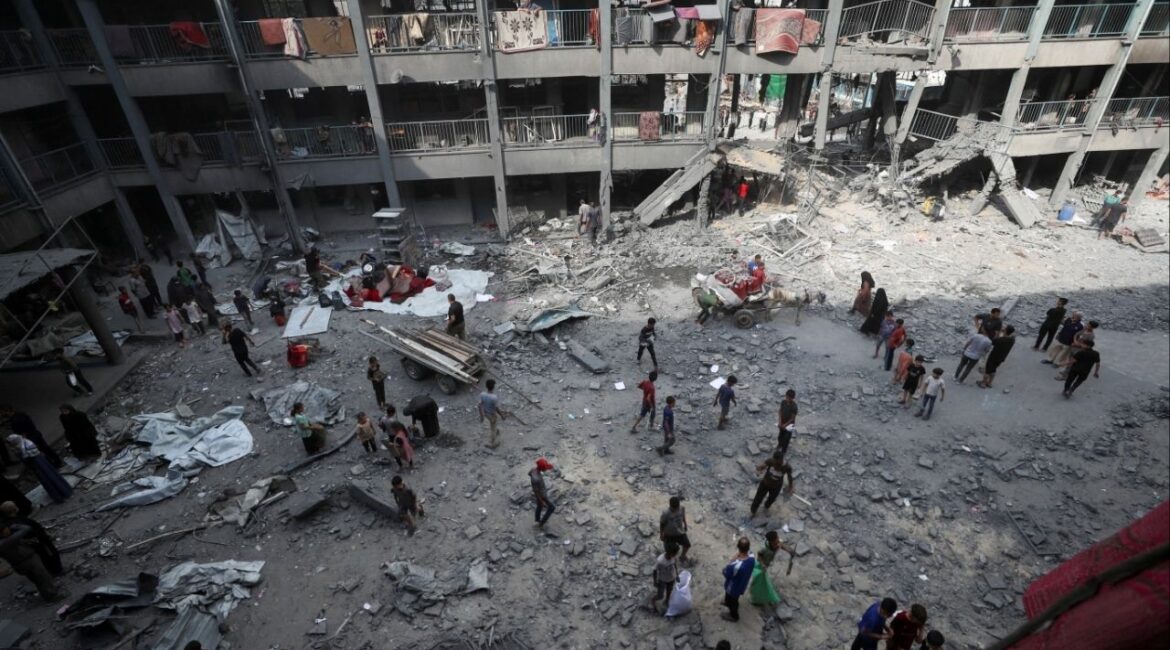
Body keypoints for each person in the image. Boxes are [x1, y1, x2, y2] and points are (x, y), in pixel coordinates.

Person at [0, 522, 67, 602]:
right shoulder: (7, 541)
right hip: (27, 561)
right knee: (42, 577)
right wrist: (15, 526)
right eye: (6, 528)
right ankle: (51, 596)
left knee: (38, 579)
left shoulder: (5, 541)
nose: (8, 529)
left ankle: (49, 591)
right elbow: (26, 528)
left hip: (20, 563)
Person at [0, 501, 62, 575]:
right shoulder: (21, 521)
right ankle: (57, 571)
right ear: (14, 509)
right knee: (50, 555)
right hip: (38, 541)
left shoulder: (7, 523)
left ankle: (50, 570)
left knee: (42, 558)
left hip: (28, 545)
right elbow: (35, 529)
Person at [7, 435, 71, 503]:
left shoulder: (22, 448)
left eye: (11, 444)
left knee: (47, 479)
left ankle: (59, 495)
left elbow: (25, 458)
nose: (10, 446)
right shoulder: (26, 442)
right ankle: (64, 490)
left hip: (37, 465)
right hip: (41, 462)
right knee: (52, 475)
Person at [749, 530, 794, 605]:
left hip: (767, 563)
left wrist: (789, 550)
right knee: (758, 578)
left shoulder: (776, 542)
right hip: (761, 564)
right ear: (771, 542)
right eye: (775, 541)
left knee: (762, 579)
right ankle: (755, 594)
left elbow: (781, 545)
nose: (777, 542)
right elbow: (759, 556)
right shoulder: (764, 548)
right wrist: (762, 564)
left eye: (777, 539)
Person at [721, 537, 755, 622]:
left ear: (738, 547)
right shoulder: (751, 557)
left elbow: (726, 573)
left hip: (733, 586)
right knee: (731, 597)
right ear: (748, 548)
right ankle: (727, 602)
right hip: (742, 583)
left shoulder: (736, 566)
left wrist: (730, 562)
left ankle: (734, 616)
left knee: (734, 600)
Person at [750, 451, 793, 517]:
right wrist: (760, 468)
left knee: (772, 499)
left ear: (781, 460)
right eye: (774, 461)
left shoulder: (787, 467)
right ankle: (753, 511)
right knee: (757, 498)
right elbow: (763, 465)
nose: (774, 463)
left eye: (776, 462)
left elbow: (790, 476)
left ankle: (766, 507)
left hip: (776, 486)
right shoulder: (771, 461)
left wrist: (791, 487)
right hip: (765, 483)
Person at [647, 542, 680, 614]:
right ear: (669, 552)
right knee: (660, 595)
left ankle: (667, 601)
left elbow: (675, 565)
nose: (675, 555)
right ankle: (652, 601)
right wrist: (655, 582)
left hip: (671, 578)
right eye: (674, 554)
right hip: (662, 580)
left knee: (669, 591)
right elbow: (655, 570)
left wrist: (677, 575)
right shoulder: (660, 560)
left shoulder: (673, 557)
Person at [659, 496, 691, 564]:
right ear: (671, 506)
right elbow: (662, 524)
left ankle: (682, 556)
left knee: (687, 545)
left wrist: (685, 524)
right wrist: (661, 534)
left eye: (677, 507)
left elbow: (683, 517)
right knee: (670, 551)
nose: (676, 509)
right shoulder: (666, 514)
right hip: (669, 534)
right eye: (674, 508)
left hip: (679, 532)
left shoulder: (682, 508)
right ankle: (669, 561)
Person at [478, 379, 507, 449]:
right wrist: (502, 415)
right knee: (492, 428)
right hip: (492, 415)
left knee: (493, 425)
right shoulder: (494, 397)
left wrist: (481, 416)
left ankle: (496, 431)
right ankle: (492, 443)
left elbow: (479, 405)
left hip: (486, 413)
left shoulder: (482, 394)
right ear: (493, 387)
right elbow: (496, 408)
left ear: (486, 386)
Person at [530, 458, 555, 527]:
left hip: (541, 492)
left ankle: (537, 519)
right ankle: (541, 523)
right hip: (542, 495)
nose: (546, 470)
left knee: (539, 506)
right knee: (552, 508)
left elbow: (529, 474)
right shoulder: (536, 479)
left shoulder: (533, 470)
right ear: (542, 468)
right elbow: (536, 492)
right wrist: (542, 501)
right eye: (545, 468)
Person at [777, 389, 798, 460]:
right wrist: (780, 421)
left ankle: (783, 451)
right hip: (782, 422)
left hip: (789, 425)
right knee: (780, 436)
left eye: (789, 398)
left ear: (792, 398)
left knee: (786, 439)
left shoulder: (794, 407)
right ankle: (779, 445)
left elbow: (792, 418)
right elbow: (780, 411)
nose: (787, 399)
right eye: (786, 397)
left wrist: (785, 425)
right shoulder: (783, 402)